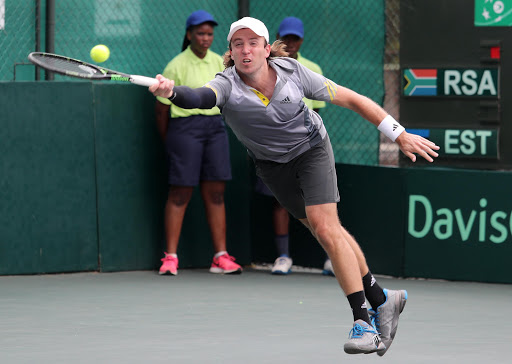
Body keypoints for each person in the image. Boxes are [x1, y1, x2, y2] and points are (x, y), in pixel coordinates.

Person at [150, 17, 439, 355]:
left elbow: (354, 99)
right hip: (273, 168)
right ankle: (382, 298)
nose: (246, 49)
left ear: (266, 48)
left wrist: (399, 133)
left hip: (312, 150)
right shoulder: (226, 84)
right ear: (230, 51)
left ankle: (364, 322)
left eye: (253, 42)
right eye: (238, 44)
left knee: (325, 227)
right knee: (328, 232)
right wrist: (171, 92)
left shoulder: (293, 72)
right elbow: (198, 97)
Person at [155, 10, 242, 276]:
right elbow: (161, 111)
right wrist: (170, 140)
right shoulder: (175, 65)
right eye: (200, 33)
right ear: (189, 35)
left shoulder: (221, 62)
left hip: (215, 129)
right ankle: (170, 258)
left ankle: (220, 257)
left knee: (216, 193)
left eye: (209, 34)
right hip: (184, 130)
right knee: (180, 193)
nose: (205, 38)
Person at [261, 16, 335, 276]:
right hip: (278, 148)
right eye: (285, 38)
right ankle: (283, 256)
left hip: (310, 148)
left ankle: (332, 257)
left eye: (294, 39)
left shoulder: (312, 69)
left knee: (321, 204)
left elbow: (317, 112)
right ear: (276, 40)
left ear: (301, 40)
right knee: (281, 202)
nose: (290, 43)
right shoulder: (264, 69)